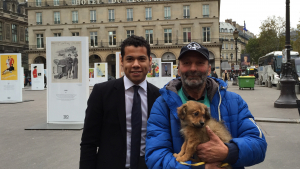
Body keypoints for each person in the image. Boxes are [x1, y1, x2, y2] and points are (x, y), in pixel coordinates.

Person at [145, 42, 267, 169]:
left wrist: (229, 151)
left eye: (200, 63)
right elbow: (155, 156)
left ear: (209, 69)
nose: (193, 68)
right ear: (179, 70)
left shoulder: (234, 101)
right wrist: (199, 168)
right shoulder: (162, 104)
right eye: (186, 63)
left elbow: (258, 144)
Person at [80, 35, 161, 169]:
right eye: (130, 59)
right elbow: (89, 142)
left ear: (150, 61)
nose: (136, 64)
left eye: (141, 59)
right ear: (121, 61)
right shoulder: (102, 93)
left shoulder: (158, 96)